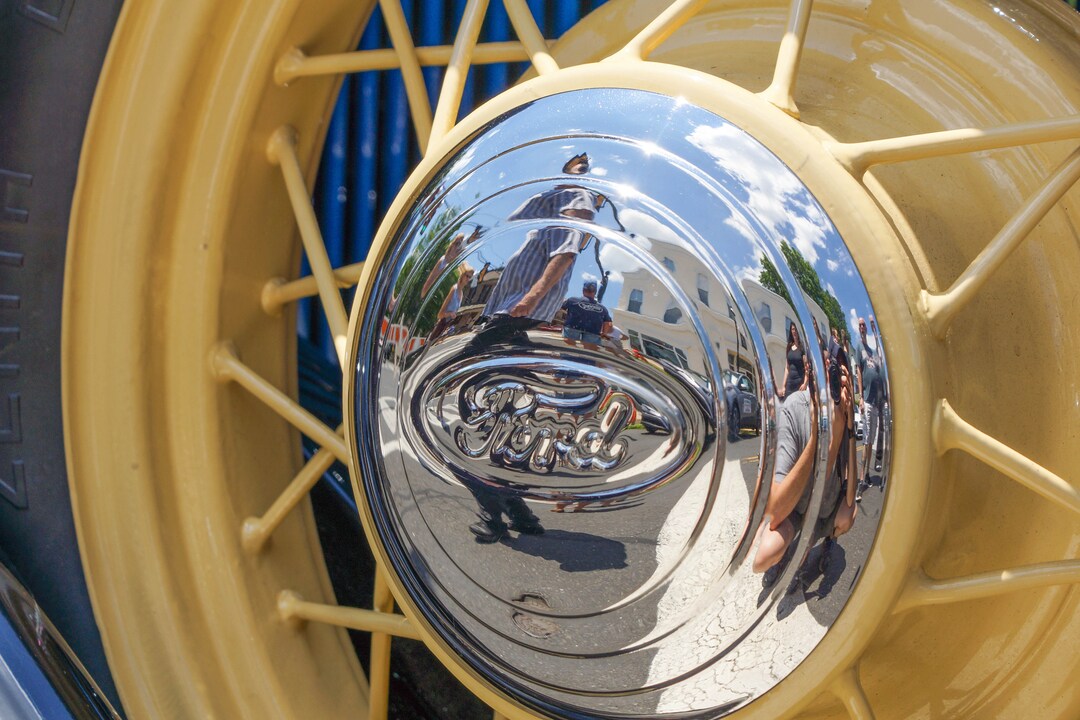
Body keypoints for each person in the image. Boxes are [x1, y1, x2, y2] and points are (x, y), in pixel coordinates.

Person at [468, 152, 602, 348]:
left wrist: (531, 298)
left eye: (582, 168)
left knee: (475, 351)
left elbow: (566, 252)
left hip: (521, 302)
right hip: (515, 300)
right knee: (512, 348)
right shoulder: (553, 199)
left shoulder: (577, 196)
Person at [753, 360, 857, 575]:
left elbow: (850, 497)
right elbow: (775, 510)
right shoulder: (793, 407)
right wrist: (817, 437)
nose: (832, 384)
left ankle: (827, 539)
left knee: (848, 515)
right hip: (796, 507)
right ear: (811, 374)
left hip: (824, 510)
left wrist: (845, 429)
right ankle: (795, 545)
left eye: (837, 377)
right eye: (826, 372)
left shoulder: (844, 412)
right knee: (764, 556)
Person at [855, 315, 884, 498]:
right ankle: (861, 481)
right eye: (861, 325)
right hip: (866, 400)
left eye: (864, 324)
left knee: (871, 440)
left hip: (876, 401)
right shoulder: (859, 347)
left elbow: (880, 368)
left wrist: (875, 329)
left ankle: (866, 475)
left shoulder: (873, 352)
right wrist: (860, 396)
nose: (862, 327)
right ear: (859, 329)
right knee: (866, 440)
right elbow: (858, 370)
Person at [428, 263, 473, 342]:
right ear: (462, 275)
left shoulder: (461, 294)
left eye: (470, 277)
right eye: (467, 276)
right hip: (440, 325)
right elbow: (440, 314)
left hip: (446, 327)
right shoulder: (454, 289)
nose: (468, 279)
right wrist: (450, 314)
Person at [560, 280, 612, 345]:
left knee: (569, 348)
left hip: (572, 329)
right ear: (595, 292)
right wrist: (604, 333)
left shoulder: (572, 300)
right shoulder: (603, 308)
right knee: (589, 351)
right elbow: (608, 323)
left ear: (583, 290)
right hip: (593, 332)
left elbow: (560, 308)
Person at [781, 322, 807, 399]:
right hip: (790, 383)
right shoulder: (789, 347)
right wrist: (783, 386)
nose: (794, 331)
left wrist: (805, 383)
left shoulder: (802, 348)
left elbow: (806, 368)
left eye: (796, 329)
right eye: (793, 329)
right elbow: (787, 368)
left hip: (799, 383)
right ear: (791, 331)